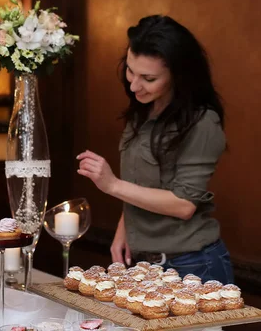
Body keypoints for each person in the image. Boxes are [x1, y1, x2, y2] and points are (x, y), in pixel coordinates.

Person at [77, 15, 234, 284]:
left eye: (148, 78)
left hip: (192, 265)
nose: (134, 85)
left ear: (178, 75)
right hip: (143, 263)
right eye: (130, 71)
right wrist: (124, 228)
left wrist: (112, 185)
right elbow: (140, 181)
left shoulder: (203, 122)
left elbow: (184, 204)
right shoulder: (142, 111)